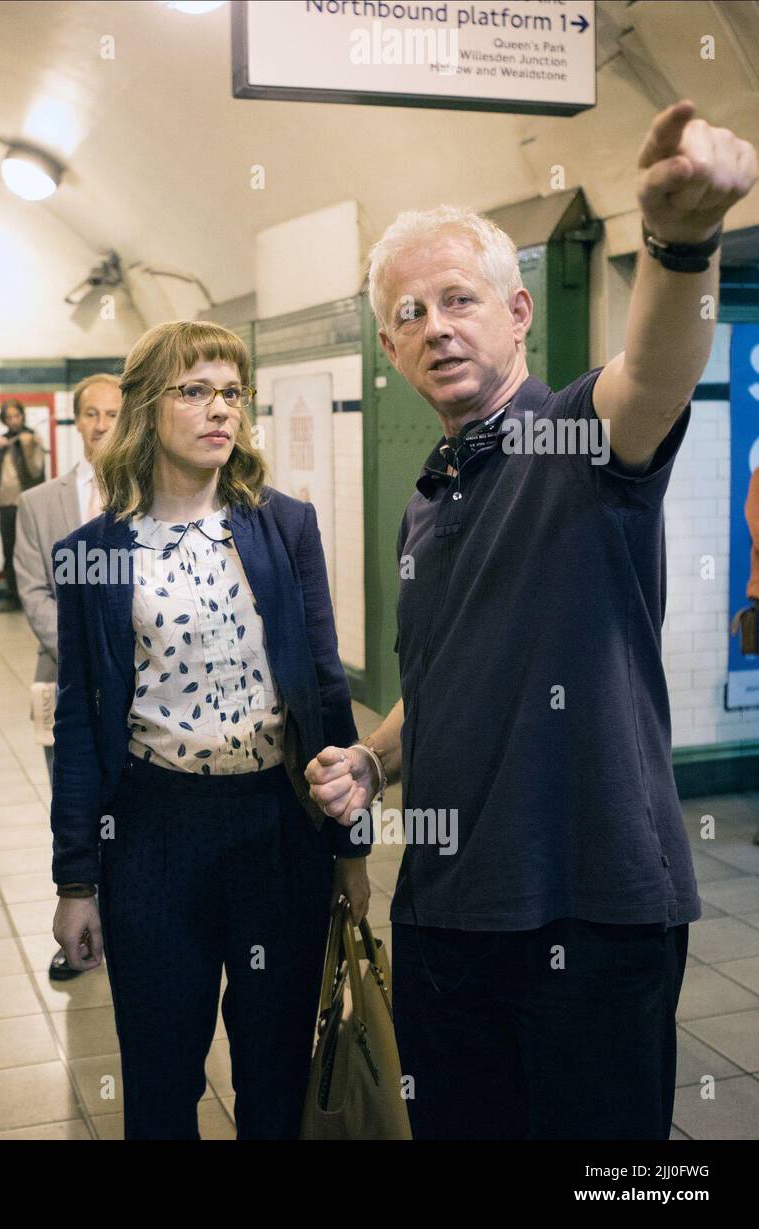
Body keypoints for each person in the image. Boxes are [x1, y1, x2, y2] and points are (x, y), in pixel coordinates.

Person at [308, 100, 756, 1140]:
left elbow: (654, 373)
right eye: (410, 314)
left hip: (588, 912)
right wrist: (375, 760)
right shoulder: (429, 496)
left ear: (517, 312)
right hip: (443, 912)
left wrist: (680, 243)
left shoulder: (575, 440)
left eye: (458, 298)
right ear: (387, 346)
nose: (436, 326)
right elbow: (452, 677)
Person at [48, 320, 370, 1139]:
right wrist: (76, 880)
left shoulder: (283, 526)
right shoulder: (94, 551)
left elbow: (324, 691)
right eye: (195, 390)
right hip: (154, 831)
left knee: (275, 1070)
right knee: (159, 1079)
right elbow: (81, 727)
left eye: (232, 391)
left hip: (276, 824)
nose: (219, 409)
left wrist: (351, 847)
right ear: (148, 406)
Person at [13, 372, 122, 980]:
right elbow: (32, 591)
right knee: (72, 797)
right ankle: (83, 921)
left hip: (141, 683)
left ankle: (130, 917)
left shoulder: (148, 495)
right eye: (91, 414)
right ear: (75, 420)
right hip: (61, 679)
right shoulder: (39, 503)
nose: (102, 425)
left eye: (112, 414)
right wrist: (88, 661)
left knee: (129, 801)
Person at [0, 398, 46, 609]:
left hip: (28, 502)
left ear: (22, 416)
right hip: (6, 503)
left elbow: (36, 470)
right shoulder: (3, 441)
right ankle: (13, 595)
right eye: (9, 417)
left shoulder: (32, 438)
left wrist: (29, 446)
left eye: (16, 416)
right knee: (8, 549)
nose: (13, 421)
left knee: (29, 550)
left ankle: (34, 595)